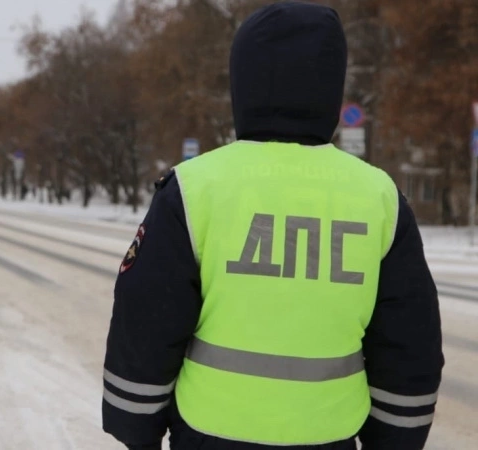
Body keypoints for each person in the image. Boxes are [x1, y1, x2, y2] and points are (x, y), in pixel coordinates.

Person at [101, 2, 444, 450]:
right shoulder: (378, 197)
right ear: (331, 85)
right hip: (329, 436)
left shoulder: (194, 188)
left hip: (209, 434)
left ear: (242, 81)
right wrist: (396, 438)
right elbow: (409, 340)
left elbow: (145, 320)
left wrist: (136, 426)